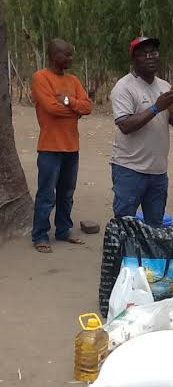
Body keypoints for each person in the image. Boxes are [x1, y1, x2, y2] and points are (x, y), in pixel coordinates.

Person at [110, 36, 173, 227]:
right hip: (129, 169)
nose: (150, 57)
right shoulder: (124, 87)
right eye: (143, 54)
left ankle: (147, 258)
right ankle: (123, 257)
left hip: (158, 171)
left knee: (155, 226)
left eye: (154, 53)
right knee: (125, 225)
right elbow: (125, 126)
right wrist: (156, 108)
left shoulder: (164, 86)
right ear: (134, 59)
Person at [31, 38, 92, 253]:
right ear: (54, 55)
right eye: (66, 55)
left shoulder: (73, 80)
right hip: (49, 147)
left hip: (71, 147)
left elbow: (87, 107)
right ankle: (40, 234)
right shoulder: (40, 78)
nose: (70, 58)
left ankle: (63, 230)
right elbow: (50, 108)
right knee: (46, 193)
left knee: (66, 192)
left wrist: (68, 102)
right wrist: (73, 109)